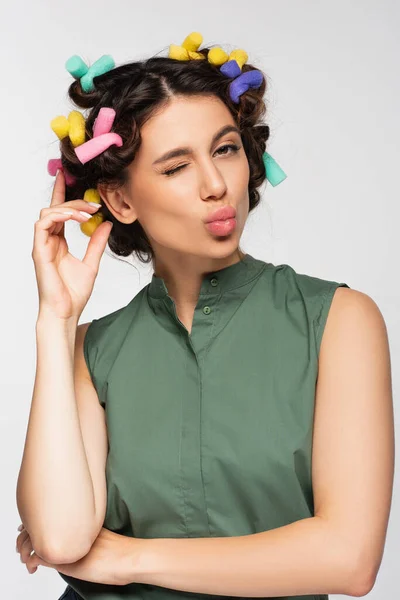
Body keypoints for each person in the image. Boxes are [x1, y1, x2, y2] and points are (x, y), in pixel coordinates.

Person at [16, 32, 394, 600]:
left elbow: (348, 558)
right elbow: (62, 538)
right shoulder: (91, 349)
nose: (216, 185)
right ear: (120, 201)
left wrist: (128, 558)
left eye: (225, 149)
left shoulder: (339, 320)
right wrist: (56, 319)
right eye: (176, 167)